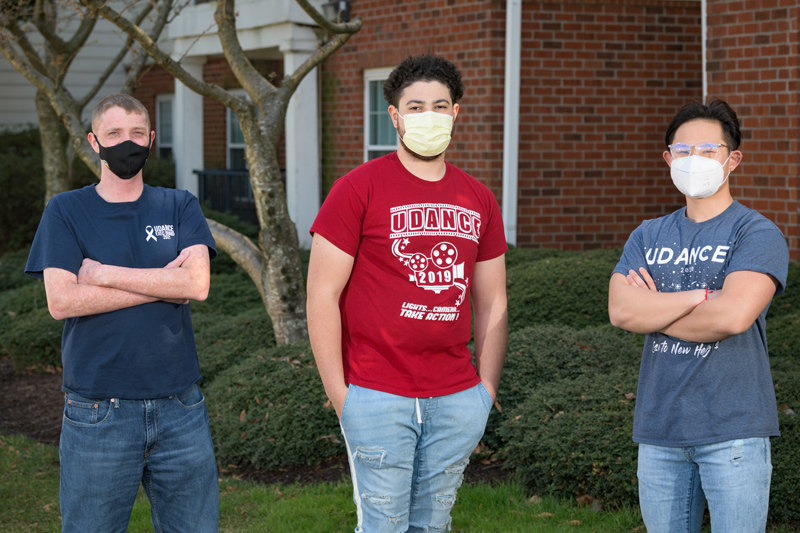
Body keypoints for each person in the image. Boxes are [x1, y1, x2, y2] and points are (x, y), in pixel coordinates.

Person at [307, 54, 508, 533]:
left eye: (440, 105)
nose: (429, 115)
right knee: (383, 526)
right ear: (394, 116)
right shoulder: (357, 189)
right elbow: (321, 296)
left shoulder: (477, 197)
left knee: (433, 525)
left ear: (456, 112)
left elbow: (493, 300)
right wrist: (341, 397)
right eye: (415, 106)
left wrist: (487, 388)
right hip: (376, 393)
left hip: (457, 395)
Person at [25, 93, 219, 532]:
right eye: (114, 134)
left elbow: (197, 284)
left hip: (181, 408)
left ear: (151, 140)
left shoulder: (179, 204)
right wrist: (162, 286)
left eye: (136, 134)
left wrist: (102, 273)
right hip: (97, 412)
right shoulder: (66, 211)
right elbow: (63, 301)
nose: (126, 143)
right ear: (94, 142)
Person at [608, 99, 789, 532]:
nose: (695, 160)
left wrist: (654, 311)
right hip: (659, 431)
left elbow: (731, 318)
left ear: (733, 160)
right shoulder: (647, 234)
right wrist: (704, 295)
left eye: (709, 150)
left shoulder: (757, 232)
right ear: (669, 158)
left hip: (734, 433)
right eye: (684, 151)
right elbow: (621, 310)